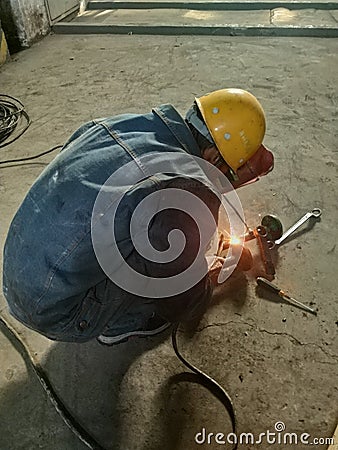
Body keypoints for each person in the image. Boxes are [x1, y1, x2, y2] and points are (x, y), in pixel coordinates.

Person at [2, 88, 274, 345]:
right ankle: (120, 323)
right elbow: (177, 292)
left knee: (143, 226)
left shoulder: (124, 124)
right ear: (214, 158)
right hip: (57, 312)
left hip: (17, 273)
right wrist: (205, 284)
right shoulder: (189, 190)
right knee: (161, 267)